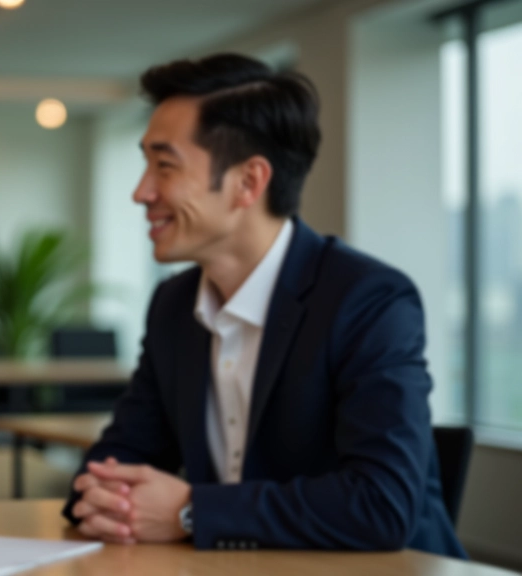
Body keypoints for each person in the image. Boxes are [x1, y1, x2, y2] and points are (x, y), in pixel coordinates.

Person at [63, 53, 466, 557]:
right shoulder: (173, 304)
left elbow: (381, 506)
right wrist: (104, 498)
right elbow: (116, 458)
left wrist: (191, 510)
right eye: (146, 163)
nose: (141, 192)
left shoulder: (368, 300)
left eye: (164, 166)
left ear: (249, 182)